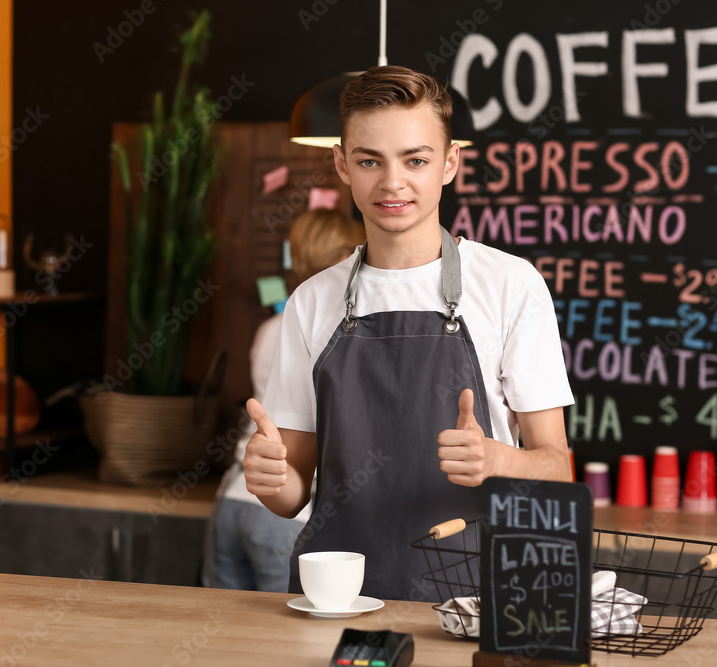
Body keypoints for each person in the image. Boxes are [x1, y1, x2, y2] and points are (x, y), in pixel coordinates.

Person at [242, 66, 574, 602]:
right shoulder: (311, 301)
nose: (392, 183)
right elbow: (293, 493)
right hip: (338, 597)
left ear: (449, 163)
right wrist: (270, 479)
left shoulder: (512, 284)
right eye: (369, 160)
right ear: (341, 164)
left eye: (415, 160)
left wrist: (498, 461)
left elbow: (557, 468)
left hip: (477, 597)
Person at [205, 208, 366, 592]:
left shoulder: (268, 328)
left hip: (233, 498)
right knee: (284, 644)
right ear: (346, 256)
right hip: (285, 509)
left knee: (224, 640)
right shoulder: (336, 331)